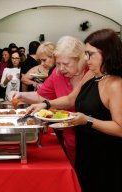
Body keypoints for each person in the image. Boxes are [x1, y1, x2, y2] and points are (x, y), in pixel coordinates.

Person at [27, 29, 122, 192]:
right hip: (87, 151)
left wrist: (87, 121)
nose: (86, 59)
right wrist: (46, 105)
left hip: (106, 156)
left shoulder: (115, 84)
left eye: (90, 54)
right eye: (86, 54)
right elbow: (71, 99)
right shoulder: (92, 75)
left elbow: (120, 128)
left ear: (106, 54)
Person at [9, 36, 88, 166]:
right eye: (58, 63)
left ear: (79, 60)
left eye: (66, 64)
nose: (61, 68)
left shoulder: (91, 73)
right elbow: (41, 96)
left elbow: (68, 100)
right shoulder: (57, 74)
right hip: (70, 140)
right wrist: (20, 95)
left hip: (93, 139)